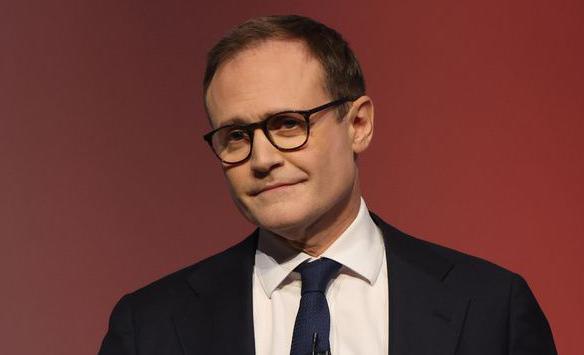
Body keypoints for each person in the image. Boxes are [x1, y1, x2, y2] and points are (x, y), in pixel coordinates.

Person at [98, 15, 557, 355]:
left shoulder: (491, 309)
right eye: (236, 135)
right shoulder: (150, 327)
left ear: (358, 124)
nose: (261, 159)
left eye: (288, 123)